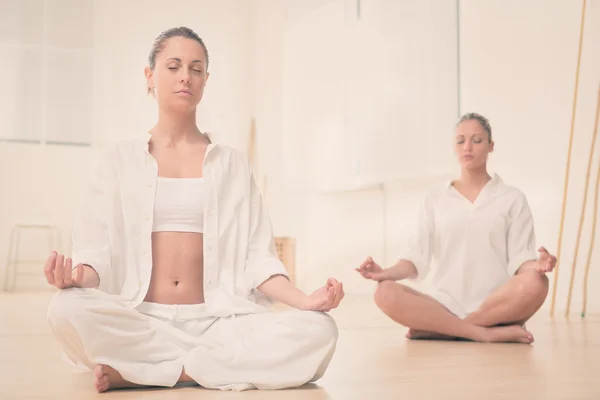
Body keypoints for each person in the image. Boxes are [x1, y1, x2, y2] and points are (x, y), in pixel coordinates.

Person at [44, 26, 343, 393]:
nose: (186, 75)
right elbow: (96, 258)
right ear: (150, 75)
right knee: (65, 309)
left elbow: (259, 262)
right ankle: (197, 366)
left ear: (205, 80)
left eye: (196, 68)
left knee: (319, 330)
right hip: (143, 319)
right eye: (173, 66)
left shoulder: (231, 164)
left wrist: (306, 300)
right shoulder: (118, 161)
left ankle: (153, 371)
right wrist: (76, 279)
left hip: (219, 323)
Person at [356, 112, 556, 344]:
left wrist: (537, 265)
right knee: (384, 292)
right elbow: (415, 259)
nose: (467, 147)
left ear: (491, 146)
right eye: (460, 141)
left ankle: (443, 329)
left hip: (496, 304)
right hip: (443, 304)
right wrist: (384, 273)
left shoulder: (512, 198)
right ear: (454, 147)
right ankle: (483, 332)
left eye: (477, 140)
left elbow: (521, 260)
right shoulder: (435, 198)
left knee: (537, 282)